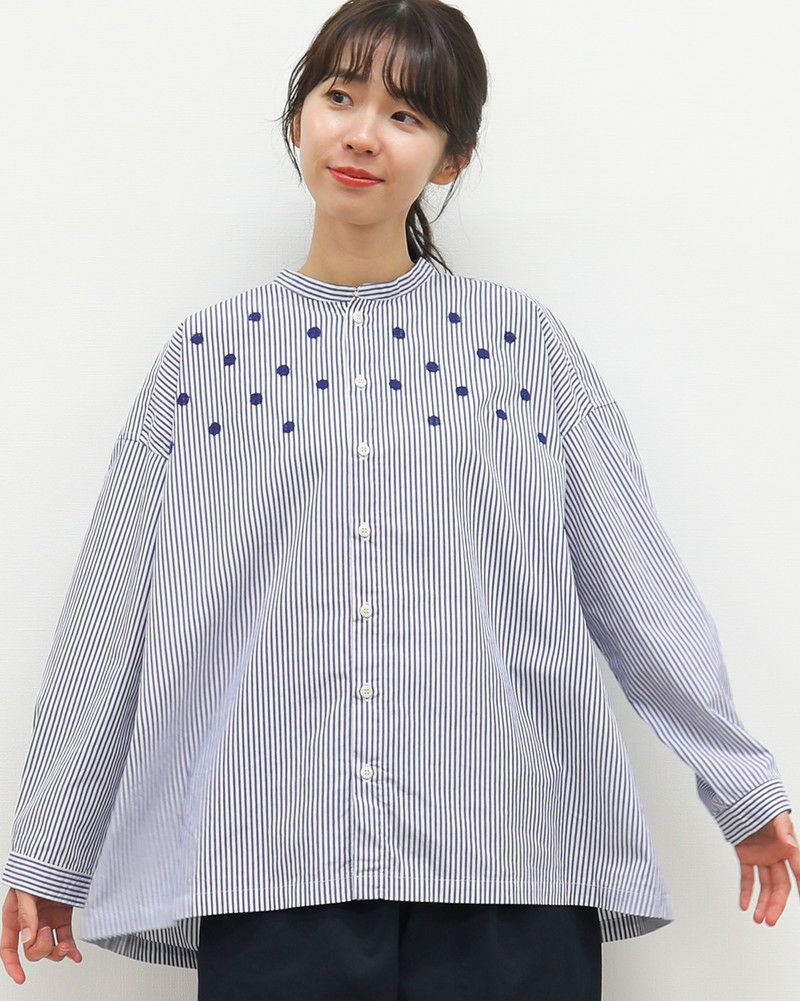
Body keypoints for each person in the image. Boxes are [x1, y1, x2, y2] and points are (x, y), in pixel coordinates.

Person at [2, 1, 798, 997]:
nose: (363, 135)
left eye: (406, 114)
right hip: (270, 857)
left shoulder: (523, 350)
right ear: (298, 116)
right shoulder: (203, 361)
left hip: (509, 860)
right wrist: (51, 845)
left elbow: (635, 587)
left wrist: (740, 785)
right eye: (340, 97)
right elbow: (109, 616)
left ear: (451, 157)